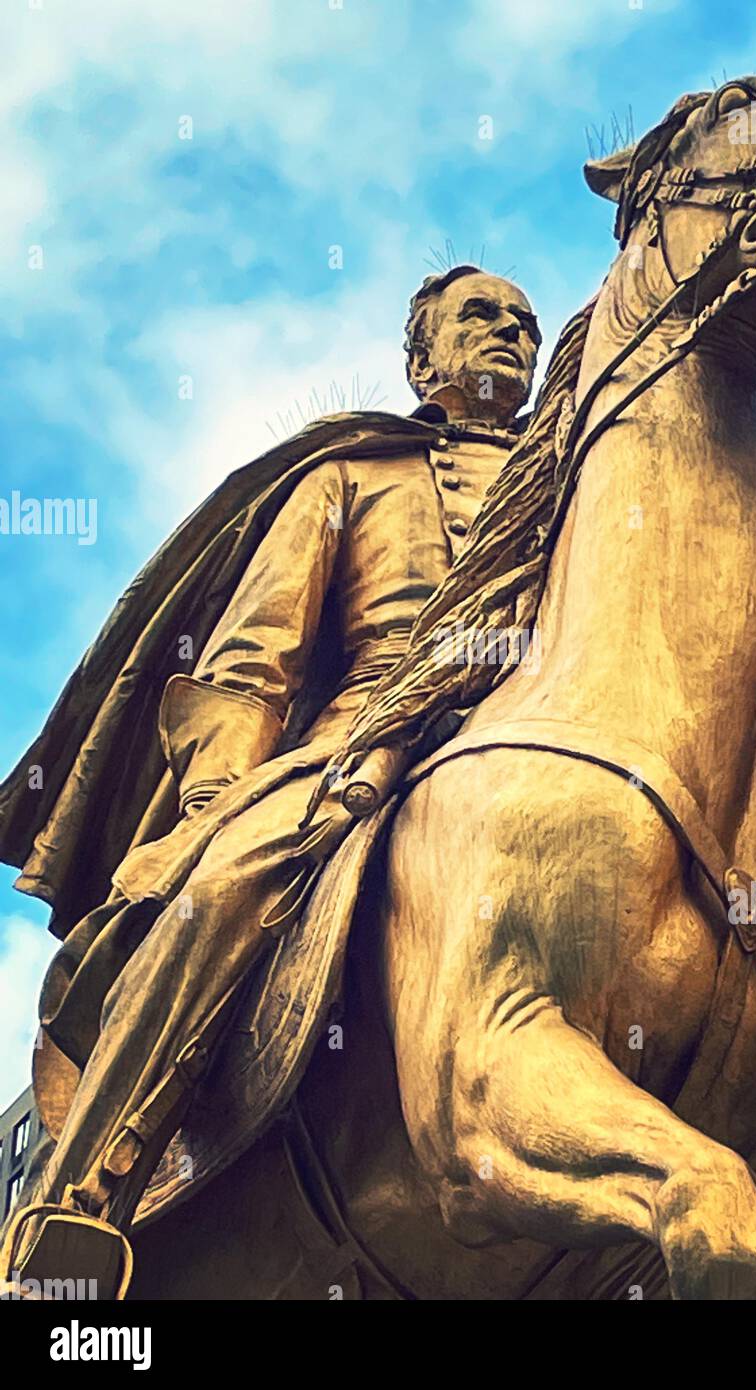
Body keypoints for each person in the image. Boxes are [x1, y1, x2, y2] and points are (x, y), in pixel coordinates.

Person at [0, 265, 540, 1296]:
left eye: (525, 322)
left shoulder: (583, 489)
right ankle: (81, 1197)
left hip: (541, 724)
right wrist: (218, 804)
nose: (511, 333)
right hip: (361, 744)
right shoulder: (353, 475)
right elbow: (253, 661)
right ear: (422, 357)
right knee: (225, 884)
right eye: (481, 316)